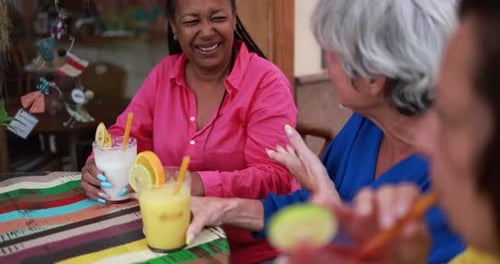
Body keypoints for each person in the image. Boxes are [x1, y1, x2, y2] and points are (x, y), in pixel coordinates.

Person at [187, 0, 465, 263]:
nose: (329, 69)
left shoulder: (454, 182)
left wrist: (336, 216)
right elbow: (313, 205)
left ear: (374, 78)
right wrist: (224, 208)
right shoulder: (366, 125)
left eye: (332, 55)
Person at [80, 0, 298, 263]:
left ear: (234, 18)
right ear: (173, 27)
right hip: (172, 243)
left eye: (218, 18)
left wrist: (199, 183)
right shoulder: (163, 75)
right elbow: (124, 135)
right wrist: (98, 166)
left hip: (251, 252)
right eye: (192, 22)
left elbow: (274, 178)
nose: (206, 31)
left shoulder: (266, 82)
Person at [287, 0, 500, 262]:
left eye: (450, 117)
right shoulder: (363, 124)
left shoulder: (453, 201)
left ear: (374, 77)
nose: (422, 140)